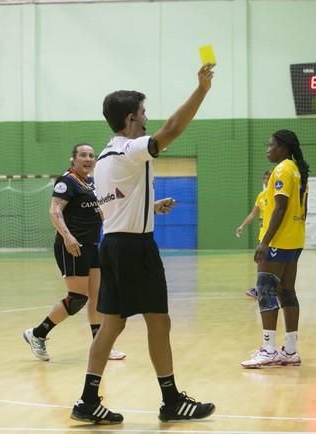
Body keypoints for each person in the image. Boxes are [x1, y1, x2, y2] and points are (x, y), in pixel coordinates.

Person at [69, 64, 216, 425]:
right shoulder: (130, 150)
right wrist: (201, 90)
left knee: (111, 325)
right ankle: (170, 400)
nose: (148, 119)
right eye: (144, 113)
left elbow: (116, 204)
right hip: (136, 249)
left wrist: (150, 207)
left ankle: (88, 400)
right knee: (159, 321)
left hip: (114, 246)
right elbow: (172, 130)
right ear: (131, 118)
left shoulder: (105, 159)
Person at [23, 144, 125, 362]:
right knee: (78, 298)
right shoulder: (66, 181)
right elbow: (55, 210)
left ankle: (101, 346)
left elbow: (103, 210)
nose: (88, 159)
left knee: (97, 298)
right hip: (72, 246)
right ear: (73, 159)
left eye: (91, 155)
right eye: (83, 155)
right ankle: (37, 334)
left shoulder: (90, 183)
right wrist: (68, 237)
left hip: (92, 245)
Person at [240, 129, 309, 369]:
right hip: (295, 239)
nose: (267, 149)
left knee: (265, 290)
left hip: (278, 241)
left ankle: (269, 350)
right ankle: (290, 350)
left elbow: (280, 208)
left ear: (284, 147)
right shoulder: (298, 170)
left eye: (271, 145)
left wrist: (265, 241)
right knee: (287, 291)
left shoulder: (281, 170)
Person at [236, 169, 273, 297]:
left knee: (270, 264)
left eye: (269, 178)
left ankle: (267, 289)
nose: (267, 180)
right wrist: (242, 226)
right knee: (262, 262)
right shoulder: (261, 196)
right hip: (262, 235)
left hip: (274, 236)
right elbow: (253, 214)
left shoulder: (277, 195)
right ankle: (260, 289)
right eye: (265, 178)